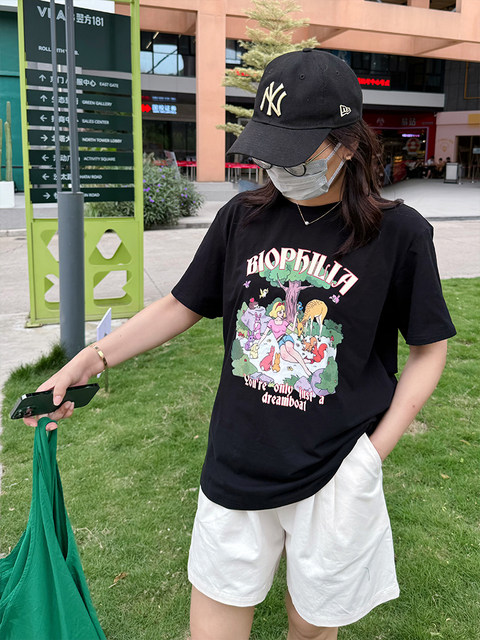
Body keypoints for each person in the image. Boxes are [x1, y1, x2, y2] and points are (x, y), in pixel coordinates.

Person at [24, 50, 456, 640]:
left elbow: (430, 348)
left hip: (337, 471)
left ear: (348, 144)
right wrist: (91, 357)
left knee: (311, 628)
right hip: (237, 461)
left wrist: (372, 454)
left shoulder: (400, 234)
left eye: (296, 153)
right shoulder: (241, 217)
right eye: (268, 151)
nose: (278, 168)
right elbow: (181, 305)